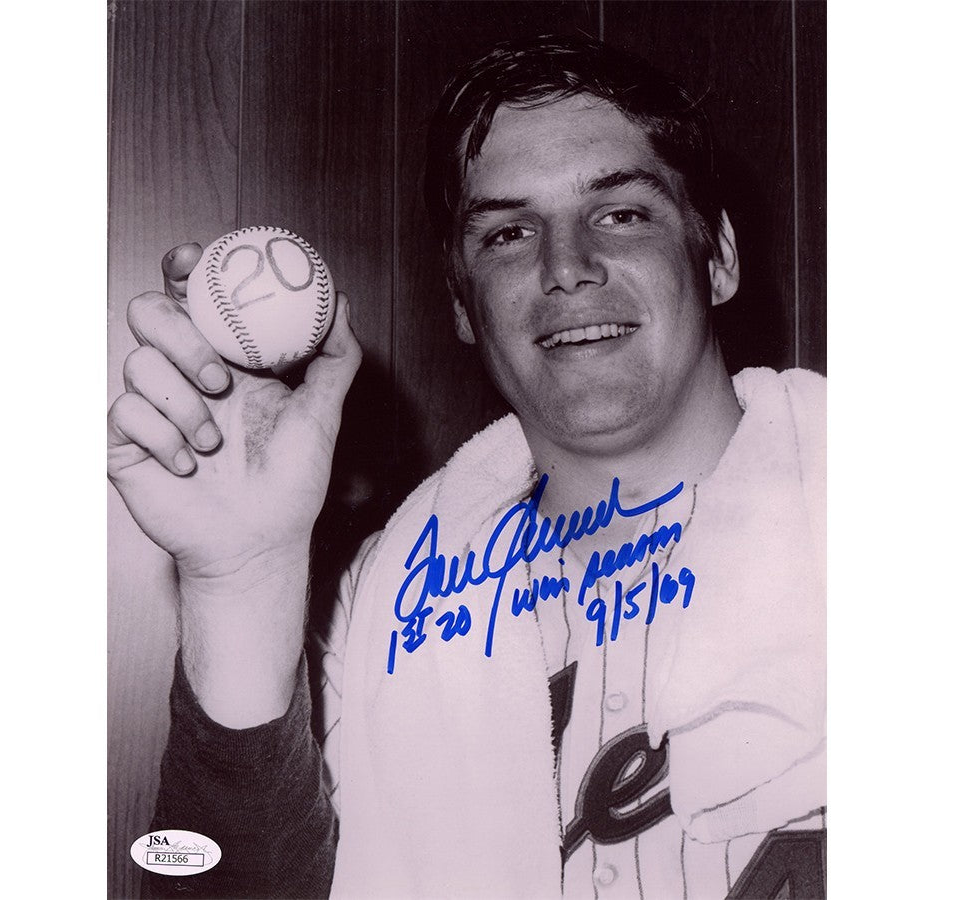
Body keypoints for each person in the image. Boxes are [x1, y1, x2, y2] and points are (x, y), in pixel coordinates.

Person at [108, 35, 826, 899]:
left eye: (621, 213)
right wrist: (241, 582)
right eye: (509, 233)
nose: (567, 268)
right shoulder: (375, 608)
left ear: (719, 257)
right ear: (461, 304)